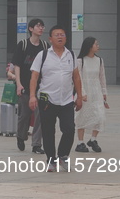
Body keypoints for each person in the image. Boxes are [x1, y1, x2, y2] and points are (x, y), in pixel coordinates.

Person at [29, 26, 82, 172]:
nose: (60, 37)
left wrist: (79, 96)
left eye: (63, 35)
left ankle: (63, 156)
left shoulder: (71, 55)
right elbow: (34, 76)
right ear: (50, 39)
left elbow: (76, 76)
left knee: (69, 129)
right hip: (47, 100)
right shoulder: (43, 55)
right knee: (48, 131)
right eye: (57, 35)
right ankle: (51, 159)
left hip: (66, 100)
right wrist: (33, 96)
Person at [12, 19, 47, 155]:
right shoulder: (23, 44)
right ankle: (21, 136)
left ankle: (36, 144)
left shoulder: (45, 46)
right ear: (31, 29)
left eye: (42, 26)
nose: (41, 28)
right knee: (24, 115)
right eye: (38, 26)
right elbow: (17, 66)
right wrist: (19, 84)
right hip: (25, 86)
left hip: (41, 87)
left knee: (40, 116)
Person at [74, 37, 108, 153]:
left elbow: (102, 77)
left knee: (99, 116)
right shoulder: (80, 61)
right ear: (89, 46)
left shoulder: (99, 60)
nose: (98, 46)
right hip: (84, 92)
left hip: (96, 92)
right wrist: (81, 93)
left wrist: (104, 93)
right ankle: (80, 142)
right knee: (82, 116)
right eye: (96, 44)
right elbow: (78, 78)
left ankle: (93, 139)